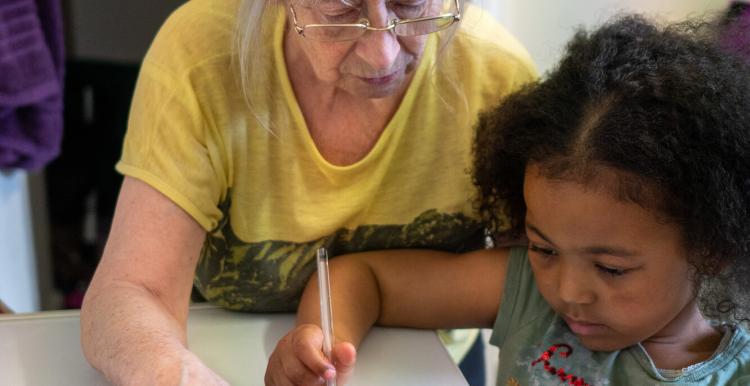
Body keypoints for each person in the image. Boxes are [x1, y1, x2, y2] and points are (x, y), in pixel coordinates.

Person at [266, 14, 750, 385]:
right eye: (544, 250)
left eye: (611, 269)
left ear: (709, 245)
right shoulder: (525, 292)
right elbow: (362, 278)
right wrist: (320, 345)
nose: (568, 292)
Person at [79, 0, 537, 384]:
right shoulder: (202, 54)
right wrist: (173, 374)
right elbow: (132, 290)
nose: (383, 55)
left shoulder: (496, 75)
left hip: (435, 360)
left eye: (410, 2)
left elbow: (537, 286)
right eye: (340, 11)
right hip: (224, 355)